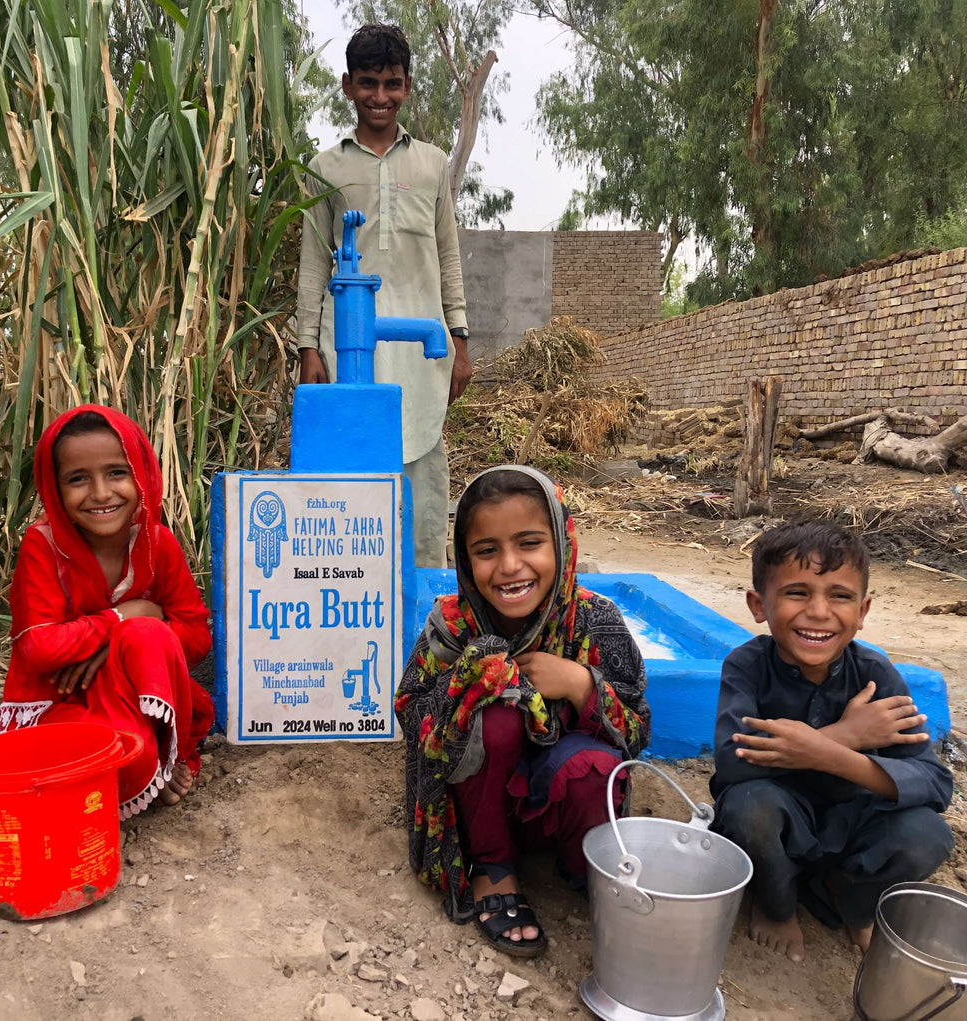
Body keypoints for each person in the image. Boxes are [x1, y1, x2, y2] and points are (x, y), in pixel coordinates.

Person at [395, 466, 650, 958]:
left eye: (530, 543)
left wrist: (580, 684)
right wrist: (477, 681)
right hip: (476, 808)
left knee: (592, 769)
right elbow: (411, 710)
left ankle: (582, 868)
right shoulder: (453, 625)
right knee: (496, 711)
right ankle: (493, 868)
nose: (510, 565)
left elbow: (636, 733)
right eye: (487, 550)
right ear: (466, 562)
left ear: (561, 542)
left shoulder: (594, 621)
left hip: (555, 805)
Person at [710, 519, 953, 963]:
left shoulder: (876, 676)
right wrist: (846, 736)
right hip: (776, 823)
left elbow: (935, 785)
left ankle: (854, 903)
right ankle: (776, 904)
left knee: (928, 835)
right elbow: (732, 764)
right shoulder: (747, 666)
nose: (820, 612)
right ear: (758, 604)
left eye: (840, 596)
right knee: (752, 806)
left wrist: (830, 756)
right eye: (797, 592)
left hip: (854, 823)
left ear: (862, 611)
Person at [295, 23, 471, 569]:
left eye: (391, 84)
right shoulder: (326, 169)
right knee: (347, 467)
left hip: (422, 347)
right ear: (347, 85)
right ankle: (348, 590)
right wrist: (307, 345)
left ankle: (423, 608)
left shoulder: (432, 165)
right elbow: (314, 260)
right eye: (368, 83)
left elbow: (447, 254)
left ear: (407, 86)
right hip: (345, 345)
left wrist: (459, 335)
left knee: (421, 460)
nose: (380, 97)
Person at [0, 405, 215, 819]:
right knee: (118, 754)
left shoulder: (157, 543)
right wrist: (124, 615)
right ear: (55, 488)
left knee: (148, 637)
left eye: (117, 472)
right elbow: (40, 649)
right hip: (64, 704)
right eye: (78, 479)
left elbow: (196, 636)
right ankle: (146, 763)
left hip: (133, 697)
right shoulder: (43, 546)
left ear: (142, 474)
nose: (100, 493)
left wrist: (120, 638)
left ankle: (159, 755)